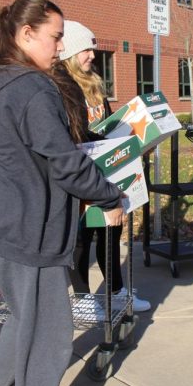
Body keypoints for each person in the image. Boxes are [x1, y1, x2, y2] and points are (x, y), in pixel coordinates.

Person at [0, 0, 125, 386]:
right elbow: (65, 164)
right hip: (26, 227)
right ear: (26, 33)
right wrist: (111, 196)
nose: (59, 45)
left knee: (24, 318)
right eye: (54, 36)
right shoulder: (34, 88)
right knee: (50, 335)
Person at [55, 20, 151, 313]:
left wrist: (134, 141)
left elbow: (105, 126)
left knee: (111, 231)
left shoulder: (93, 83)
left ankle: (116, 292)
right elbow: (73, 135)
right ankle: (82, 299)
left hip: (106, 167)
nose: (93, 56)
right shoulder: (62, 86)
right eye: (86, 49)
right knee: (82, 237)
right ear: (70, 52)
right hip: (81, 172)